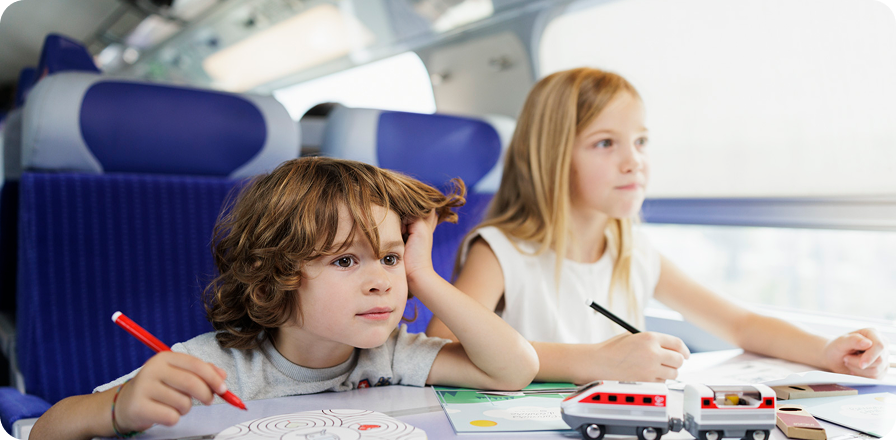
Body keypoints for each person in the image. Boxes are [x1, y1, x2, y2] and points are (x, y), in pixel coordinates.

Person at [426, 67, 889, 385]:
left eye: (641, 141)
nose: (634, 161)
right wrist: (594, 362)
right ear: (552, 158)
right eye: (605, 143)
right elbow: (439, 345)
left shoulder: (633, 251)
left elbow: (741, 324)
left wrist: (826, 350)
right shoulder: (502, 251)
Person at [31, 157, 539, 439]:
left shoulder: (390, 354)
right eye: (345, 261)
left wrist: (422, 274)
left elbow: (513, 370)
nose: (382, 281)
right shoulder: (214, 368)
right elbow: (45, 430)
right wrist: (118, 410)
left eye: (389, 258)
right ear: (273, 275)